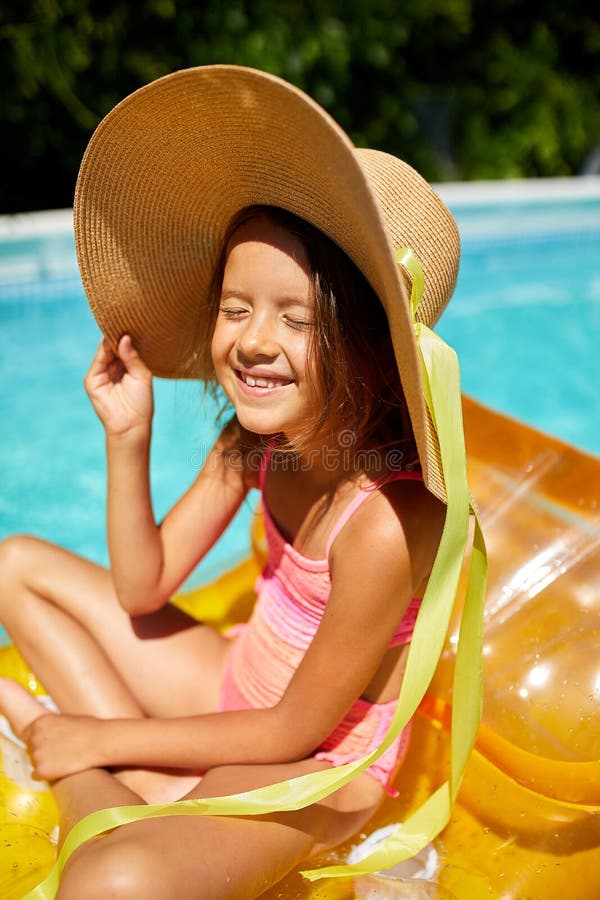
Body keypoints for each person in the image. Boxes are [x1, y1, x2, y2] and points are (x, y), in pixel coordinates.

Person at [0, 66, 483, 899]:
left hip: (312, 766)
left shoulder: (387, 518)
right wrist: (130, 438)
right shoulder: (256, 444)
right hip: (236, 688)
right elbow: (141, 585)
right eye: (235, 307)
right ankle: (124, 770)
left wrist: (84, 741)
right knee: (14, 564)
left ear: (371, 348)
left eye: (296, 319)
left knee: (111, 885)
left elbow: (294, 728)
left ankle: (83, 764)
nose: (255, 341)